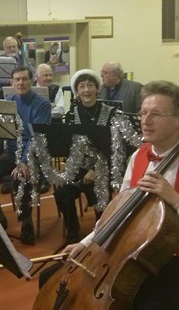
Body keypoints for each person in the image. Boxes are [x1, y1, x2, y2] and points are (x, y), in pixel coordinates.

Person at [60, 80, 179, 309]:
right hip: (132, 255)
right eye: (143, 113)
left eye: (156, 114)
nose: (145, 121)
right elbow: (118, 211)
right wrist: (88, 242)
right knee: (59, 283)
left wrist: (177, 201)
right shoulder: (138, 157)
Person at [0, 66, 51, 244]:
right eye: (17, 79)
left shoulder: (42, 105)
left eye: (24, 79)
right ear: (11, 82)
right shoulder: (6, 103)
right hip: (11, 154)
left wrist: (24, 162)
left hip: (33, 156)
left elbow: (36, 138)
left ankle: (26, 222)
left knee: (21, 178)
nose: (20, 83)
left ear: (31, 81)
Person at [55, 69, 120, 243]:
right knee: (62, 193)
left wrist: (95, 170)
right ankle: (73, 231)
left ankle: (102, 232)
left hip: (103, 167)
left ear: (97, 89)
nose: (86, 90)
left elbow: (114, 147)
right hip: (78, 167)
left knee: (101, 193)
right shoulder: (71, 115)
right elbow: (69, 148)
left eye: (90, 85)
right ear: (77, 92)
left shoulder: (110, 113)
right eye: (81, 86)